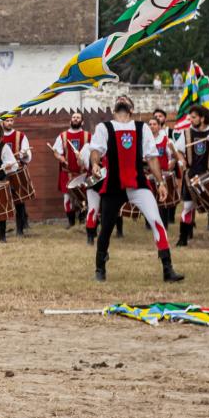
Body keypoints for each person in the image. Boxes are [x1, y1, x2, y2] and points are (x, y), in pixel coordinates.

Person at [85, 96, 184, 283]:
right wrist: (95, 164)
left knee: (156, 221)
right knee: (106, 228)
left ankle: (167, 268)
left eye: (125, 99)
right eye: (119, 99)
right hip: (113, 185)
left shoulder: (142, 128)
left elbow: (152, 157)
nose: (122, 100)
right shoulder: (104, 128)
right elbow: (95, 150)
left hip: (138, 183)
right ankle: (100, 267)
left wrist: (161, 182)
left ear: (131, 108)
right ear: (115, 108)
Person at [174, 104, 209, 248]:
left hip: (208, 175)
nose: (191, 120)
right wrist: (181, 159)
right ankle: (182, 239)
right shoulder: (187, 133)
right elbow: (177, 149)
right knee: (188, 207)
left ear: (202, 118)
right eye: (190, 117)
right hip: (191, 175)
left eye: (194, 117)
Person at [52, 111, 89, 228]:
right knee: (67, 198)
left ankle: (82, 220)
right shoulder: (62, 136)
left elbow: (94, 153)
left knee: (84, 197)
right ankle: (71, 222)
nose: (75, 119)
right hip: (67, 172)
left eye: (78, 117)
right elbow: (56, 152)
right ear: (70, 121)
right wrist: (61, 158)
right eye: (74, 117)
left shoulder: (88, 136)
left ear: (82, 121)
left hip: (83, 173)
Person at [1, 116, 33, 235]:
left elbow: (27, 155)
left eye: (11, 121)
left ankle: (20, 230)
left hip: (16, 171)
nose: (9, 123)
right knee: (0, 200)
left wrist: (23, 154)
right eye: (7, 121)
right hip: (2, 172)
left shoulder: (20, 136)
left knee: (19, 201)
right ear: (2, 122)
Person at [151, 109, 178, 225]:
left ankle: (164, 223)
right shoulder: (146, 141)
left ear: (159, 126)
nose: (152, 126)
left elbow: (173, 156)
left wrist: (172, 162)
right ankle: (150, 223)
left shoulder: (166, 140)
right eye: (150, 124)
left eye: (154, 124)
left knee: (164, 201)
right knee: (151, 200)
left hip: (163, 174)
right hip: (150, 173)